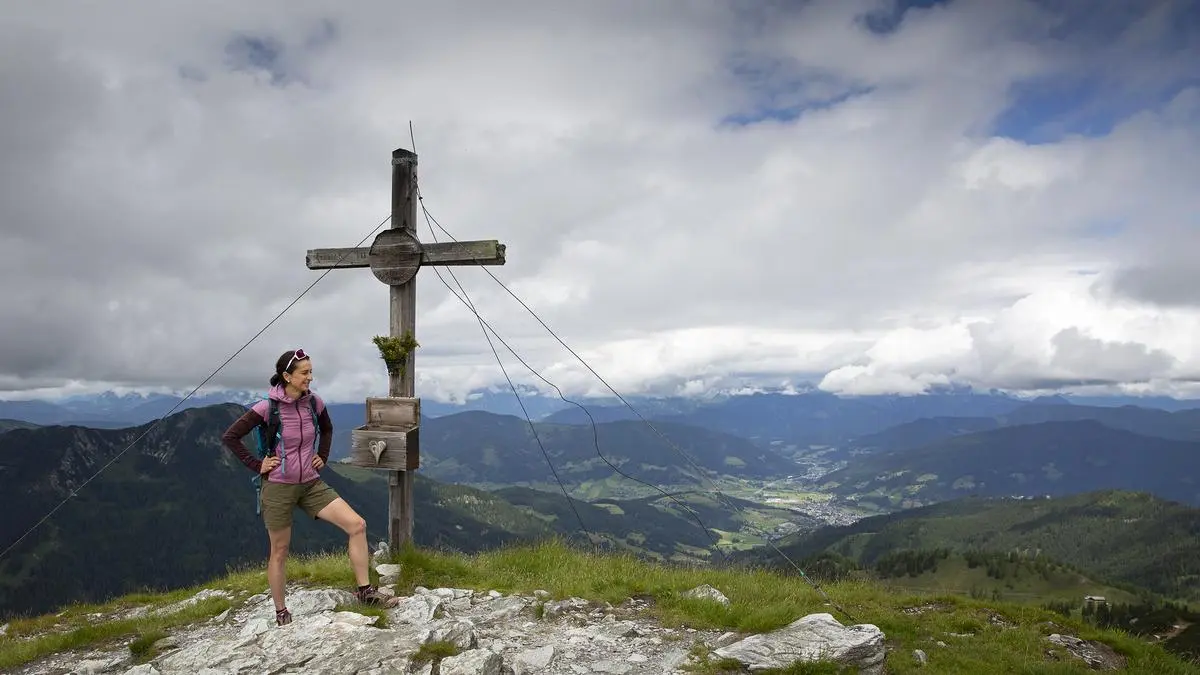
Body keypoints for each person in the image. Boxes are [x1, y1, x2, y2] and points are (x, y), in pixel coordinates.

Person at [221, 348, 397, 626]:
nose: (310, 378)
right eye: (304, 373)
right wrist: (257, 465)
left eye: (311, 372)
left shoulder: (314, 403)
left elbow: (326, 429)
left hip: (311, 483)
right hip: (278, 486)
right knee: (279, 551)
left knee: (357, 525)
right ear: (286, 376)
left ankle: (365, 592)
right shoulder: (267, 408)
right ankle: (281, 611)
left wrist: (322, 456)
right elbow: (230, 436)